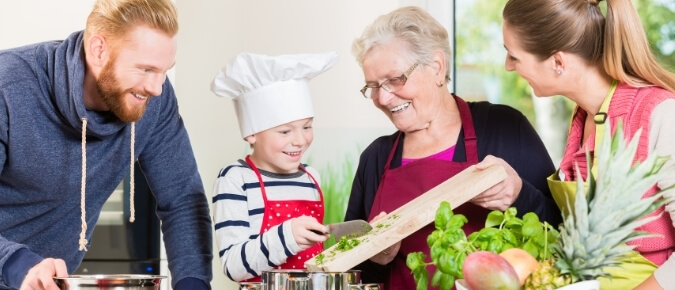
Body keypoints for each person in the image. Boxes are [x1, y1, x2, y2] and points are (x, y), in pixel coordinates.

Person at [344, 6, 561, 289]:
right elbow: (350, 273)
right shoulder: (375, 159)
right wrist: (375, 257)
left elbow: (560, 231)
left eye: (395, 79)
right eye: (373, 86)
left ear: (437, 67)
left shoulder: (505, 128)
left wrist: (520, 194)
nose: (383, 98)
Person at [0, 0, 213, 289]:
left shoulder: (155, 101)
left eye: (164, 71)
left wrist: (193, 284)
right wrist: (17, 265)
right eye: (145, 69)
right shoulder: (8, 87)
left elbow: (183, 201)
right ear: (99, 50)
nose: (156, 88)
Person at [502, 0, 675, 289]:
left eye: (513, 56)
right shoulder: (583, 119)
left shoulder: (661, 115)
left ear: (558, 62)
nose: (508, 67)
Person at [210, 51, 338, 282]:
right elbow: (233, 265)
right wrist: (287, 237)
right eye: (285, 131)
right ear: (251, 134)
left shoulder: (310, 176)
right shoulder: (236, 179)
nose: (300, 140)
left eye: (307, 127)